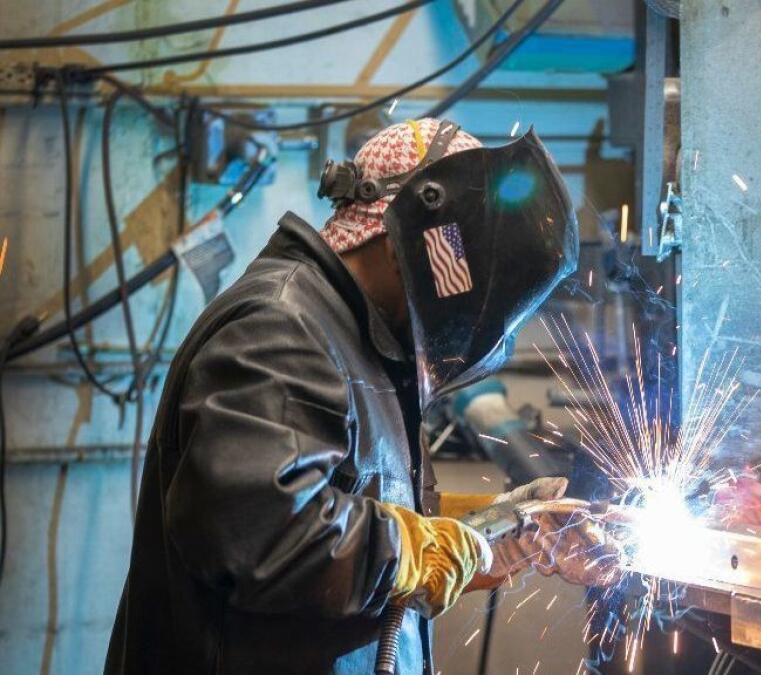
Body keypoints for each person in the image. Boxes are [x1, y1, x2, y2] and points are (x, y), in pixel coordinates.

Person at [105, 118, 602, 674]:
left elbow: (345, 515)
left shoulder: (360, 343)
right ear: (416, 238)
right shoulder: (279, 329)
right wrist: (414, 551)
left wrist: (484, 532)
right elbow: (263, 536)